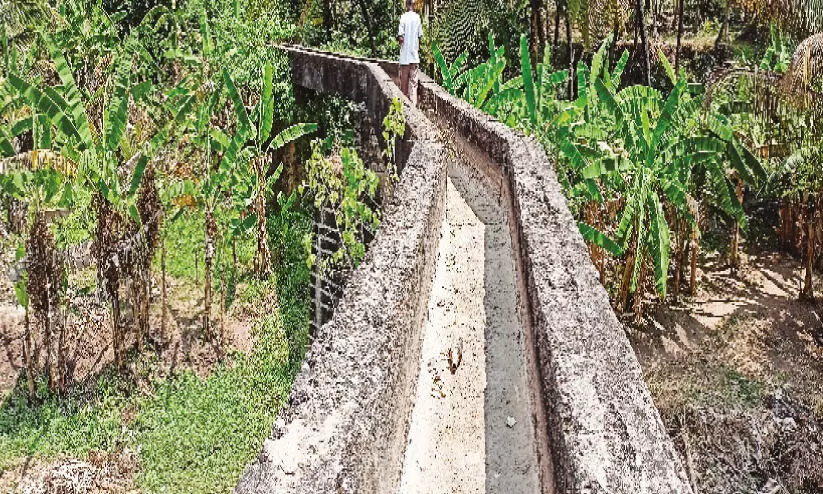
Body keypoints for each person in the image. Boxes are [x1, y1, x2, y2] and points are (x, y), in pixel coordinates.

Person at [397, 0, 423, 105]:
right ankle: (413, 107)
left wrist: (402, 47)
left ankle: (403, 109)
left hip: (405, 58)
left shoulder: (403, 17)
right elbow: (420, 36)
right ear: (413, 5)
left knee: (403, 85)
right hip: (414, 57)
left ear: (407, 4)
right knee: (413, 84)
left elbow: (401, 37)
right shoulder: (417, 18)